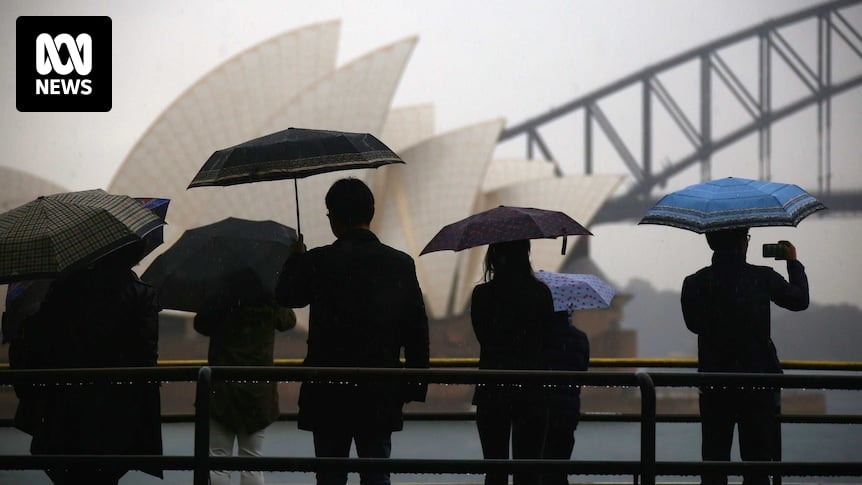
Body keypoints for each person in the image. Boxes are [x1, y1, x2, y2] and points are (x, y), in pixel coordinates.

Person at [275, 177, 430, 485]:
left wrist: (295, 259)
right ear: (371, 212)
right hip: (380, 386)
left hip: (329, 388)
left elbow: (286, 297)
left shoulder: (318, 261)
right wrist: (414, 384)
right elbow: (416, 329)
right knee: (376, 474)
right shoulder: (399, 263)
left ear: (333, 217)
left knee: (330, 476)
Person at [23, 240, 163, 485]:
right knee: (105, 475)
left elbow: (44, 340)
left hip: (66, 406)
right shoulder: (141, 293)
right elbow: (146, 355)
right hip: (116, 411)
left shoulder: (66, 287)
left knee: (69, 473)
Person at [681, 228, 809, 485]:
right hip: (757, 384)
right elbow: (799, 300)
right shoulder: (762, 278)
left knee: (714, 462)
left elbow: (694, 325)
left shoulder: (694, 283)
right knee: (757, 464)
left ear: (710, 242)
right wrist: (793, 262)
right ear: (743, 243)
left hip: (715, 384)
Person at [194, 268, 297, 485]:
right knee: (252, 460)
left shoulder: (220, 303)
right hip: (258, 392)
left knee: (218, 459)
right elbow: (289, 321)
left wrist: (215, 295)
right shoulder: (269, 304)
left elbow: (200, 324)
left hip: (221, 389)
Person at [470, 239, 554, 485]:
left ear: (493, 256)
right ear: (525, 254)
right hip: (532, 388)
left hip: (493, 388)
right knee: (528, 470)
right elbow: (548, 340)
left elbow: (483, 337)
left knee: (494, 468)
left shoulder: (482, 295)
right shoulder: (541, 293)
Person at [542, 311, 590, 485]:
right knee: (560, 467)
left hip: (543, 409)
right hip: (568, 411)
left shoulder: (541, 338)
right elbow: (582, 371)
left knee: (539, 467)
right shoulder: (581, 338)